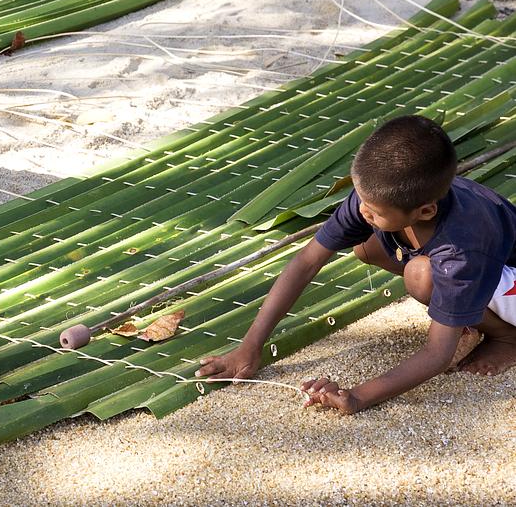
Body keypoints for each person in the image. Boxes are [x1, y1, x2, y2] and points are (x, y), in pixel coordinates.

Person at [196, 115, 516, 414]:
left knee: (421, 276)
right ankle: (462, 311)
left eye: (373, 209)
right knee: (365, 245)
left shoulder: (460, 247)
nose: (362, 210)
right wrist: (251, 346)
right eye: (360, 198)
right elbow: (308, 260)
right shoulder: (375, 197)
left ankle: (505, 337)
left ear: (426, 211)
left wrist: (357, 397)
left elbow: (436, 355)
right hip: (482, 269)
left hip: (508, 274)